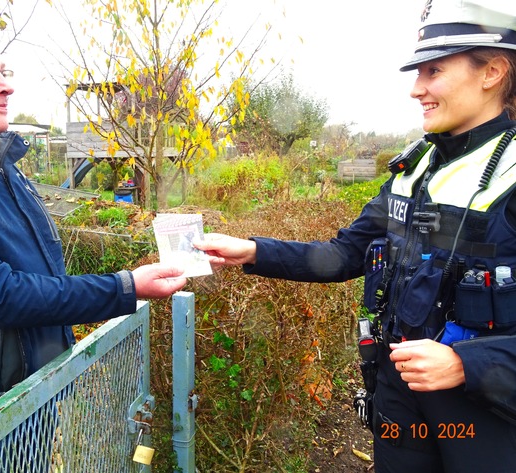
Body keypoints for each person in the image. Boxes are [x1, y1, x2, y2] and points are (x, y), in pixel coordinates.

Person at [194, 1, 516, 471]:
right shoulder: (414, 170)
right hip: (398, 400)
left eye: (433, 71)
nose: (416, 89)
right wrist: (251, 251)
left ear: (492, 71)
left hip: (483, 416)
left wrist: (470, 364)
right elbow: (344, 254)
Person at [0, 13, 187, 452]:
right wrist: (126, 286)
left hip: (33, 398)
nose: (4, 85)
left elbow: (41, 273)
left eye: (3, 72)